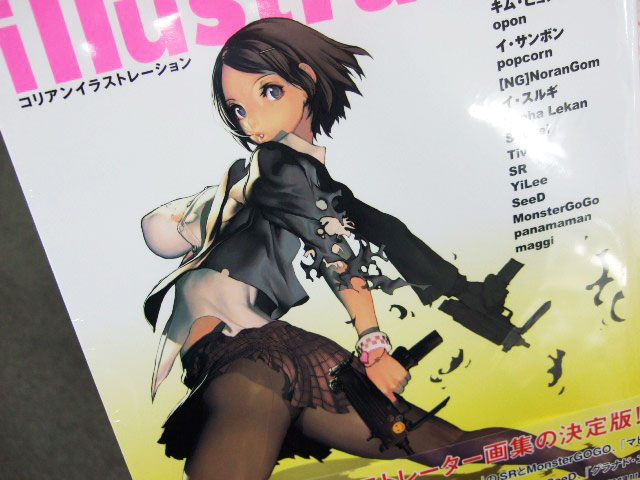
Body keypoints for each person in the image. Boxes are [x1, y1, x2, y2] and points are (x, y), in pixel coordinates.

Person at [141, 18, 631, 480]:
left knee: (451, 448)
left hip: (249, 360)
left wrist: (374, 347)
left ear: (306, 80)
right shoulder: (278, 181)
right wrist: (459, 291)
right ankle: (609, 467)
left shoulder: (279, 166)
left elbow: (335, 252)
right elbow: (383, 234)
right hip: (288, 359)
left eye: (269, 91)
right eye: (237, 108)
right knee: (453, 447)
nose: (251, 122)